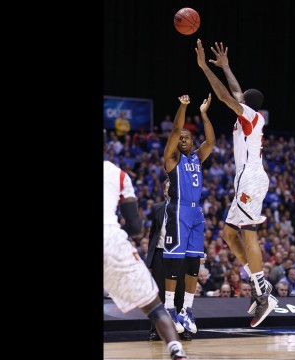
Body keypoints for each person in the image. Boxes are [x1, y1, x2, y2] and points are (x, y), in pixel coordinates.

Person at [195, 39, 277, 327]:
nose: (238, 99)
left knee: (249, 233)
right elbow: (236, 92)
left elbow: (226, 97)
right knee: (229, 235)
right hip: (246, 180)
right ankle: (258, 286)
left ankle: (264, 291)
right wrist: (227, 67)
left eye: (241, 100)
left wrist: (205, 68)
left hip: (252, 178)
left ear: (246, 105)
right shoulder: (249, 115)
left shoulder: (251, 116)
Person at [103, 131, 188, 360]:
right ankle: (176, 350)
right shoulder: (118, 174)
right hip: (110, 238)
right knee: (154, 306)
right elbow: (136, 227)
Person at [162, 94, 216, 335]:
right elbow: (175, 128)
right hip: (178, 210)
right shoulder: (171, 159)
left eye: (186, 137)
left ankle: (186, 309)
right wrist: (183, 107)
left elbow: (211, 141)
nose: (182, 139)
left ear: (192, 142)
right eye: (180, 138)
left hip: (196, 214)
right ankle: (169, 308)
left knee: (194, 262)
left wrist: (204, 115)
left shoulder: (197, 156)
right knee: (175, 260)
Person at [145, 179, 191, 341]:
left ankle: (182, 329)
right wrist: (150, 261)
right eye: (168, 187)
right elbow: (153, 235)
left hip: (180, 255)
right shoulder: (157, 208)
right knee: (159, 294)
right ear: (164, 191)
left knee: (179, 293)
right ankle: (156, 330)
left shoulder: (186, 209)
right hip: (160, 253)